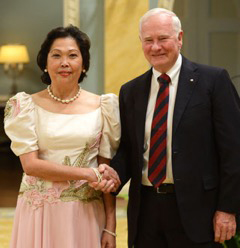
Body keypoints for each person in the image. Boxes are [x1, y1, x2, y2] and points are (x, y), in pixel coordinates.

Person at [110, 7, 240, 248]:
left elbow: (234, 150)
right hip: (146, 212)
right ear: (141, 42)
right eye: (148, 40)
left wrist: (228, 208)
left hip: (199, 213)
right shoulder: (131, 91)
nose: (155, 47)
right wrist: (112, 174)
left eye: (163, 39)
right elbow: (129, 150)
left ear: (179, 38)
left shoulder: (213, 81)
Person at [4, 25, 120, 248]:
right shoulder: (25, 106)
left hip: (85, 213)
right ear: (46, 63)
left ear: (84, 64)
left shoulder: (104, 106)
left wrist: (110, 227)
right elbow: (31, 165)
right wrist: (88, 173)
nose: (64, 62)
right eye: (56, 55)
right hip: (40, 212)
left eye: (72, 55)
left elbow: (105, 170)